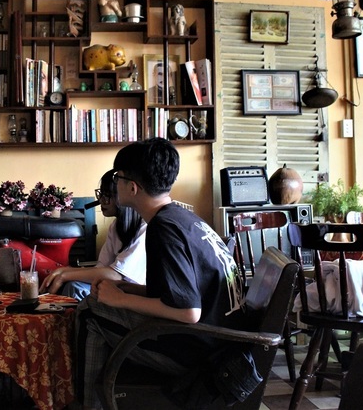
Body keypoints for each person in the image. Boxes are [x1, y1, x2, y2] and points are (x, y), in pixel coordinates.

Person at [74, 138, 244, 410]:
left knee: (90, 310)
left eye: (117, 178)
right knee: (101, 305)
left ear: (132, 187)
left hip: (199, 356)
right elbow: (184, 293)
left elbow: (188, 311)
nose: (115, 185)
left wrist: (120, 300)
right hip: (221, 343)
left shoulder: (162, 228)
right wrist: (132, 290)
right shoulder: (184, 218)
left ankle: (88, 406)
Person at [40, 169, 147, 300]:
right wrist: (63, 270)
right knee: (72, 286)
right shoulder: (115, 226)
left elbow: (116, 275)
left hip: (134, 294)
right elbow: (101, 268)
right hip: (112, 286)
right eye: (101, 194)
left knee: (75, 288)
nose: (102, 200)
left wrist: (65, 275)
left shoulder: (144, 228)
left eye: (108, 195)